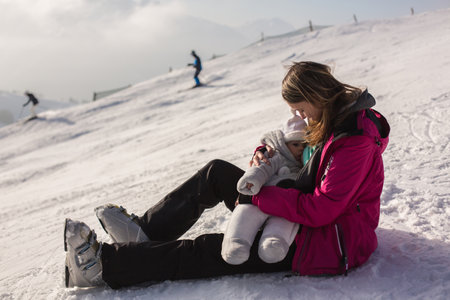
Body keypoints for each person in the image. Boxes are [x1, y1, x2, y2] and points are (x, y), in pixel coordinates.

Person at [63, 61, 390, 289]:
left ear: (317, 95)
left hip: (325, 243)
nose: (297, 115)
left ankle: (104, 267)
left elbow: (323, 209)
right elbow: (297, 158)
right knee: (216, 173)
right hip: (297, 212)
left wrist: (258, 194)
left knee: (208, 250)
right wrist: (263, 160)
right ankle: (146, 235)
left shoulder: (354, 140)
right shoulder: (332, 119)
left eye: (300, 106)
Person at [222, 115, 308, 265]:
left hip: (284, 206)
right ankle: (236, 243)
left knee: (285, 222)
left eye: (304, 145)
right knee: (246, 213)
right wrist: (251, 182)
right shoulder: (277, 156)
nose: (301, 149)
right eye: (296, 144)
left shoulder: (304, 166)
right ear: (284, 144)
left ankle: (273, 245)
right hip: (260, 198)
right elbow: (262, 168)